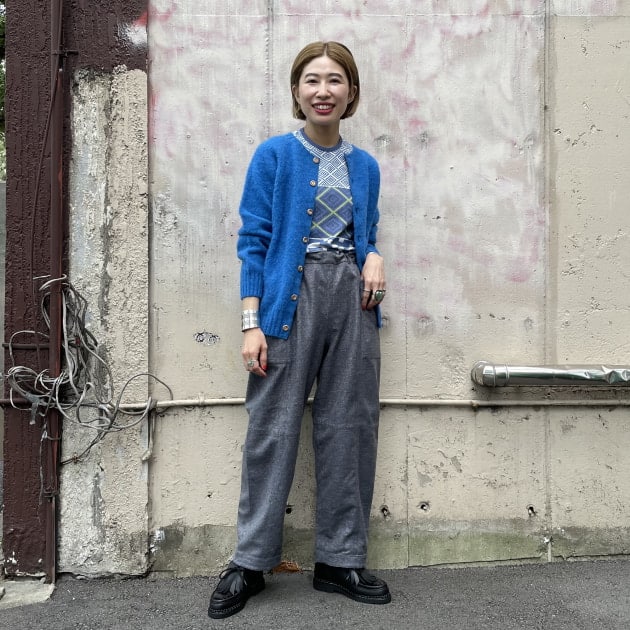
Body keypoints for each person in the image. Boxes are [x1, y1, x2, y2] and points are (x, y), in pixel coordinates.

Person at [208, 40, 390, 620]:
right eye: (312, 80)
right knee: (273, 428)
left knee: (349, 427)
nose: (323, 90)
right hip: (290, 299)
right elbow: (253, 241)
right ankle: (250, 562)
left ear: (351, 93)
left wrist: (374, 254)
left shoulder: (366, 167)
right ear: (296, 91)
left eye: (335, 80)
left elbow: (367, 232)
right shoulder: (274, 156)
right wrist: (251, 324)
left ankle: (340, 560)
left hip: (353, 304)